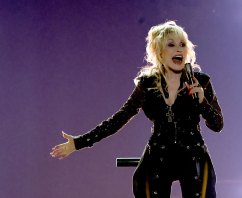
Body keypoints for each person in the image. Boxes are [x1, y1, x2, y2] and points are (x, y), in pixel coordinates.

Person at [50, 20, 224, 198]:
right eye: (171, 44)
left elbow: (217, 124)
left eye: (182, 44)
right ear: (160, 52)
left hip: (193, 155)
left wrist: (202, 101)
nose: (179, 49)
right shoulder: (147, 85)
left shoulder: (201, 81)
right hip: (158, 155)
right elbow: (119, 119)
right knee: (144, 183)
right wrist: (79, 143)